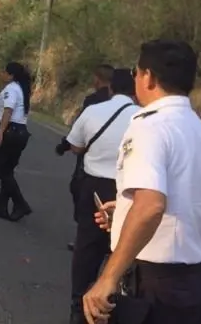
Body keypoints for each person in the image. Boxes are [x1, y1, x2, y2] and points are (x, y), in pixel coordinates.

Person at [83, 40, 201, 324]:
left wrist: (108, 278)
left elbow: (150, 206)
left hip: (152, 288)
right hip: (193, 287)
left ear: (148, 77)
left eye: (137, 73)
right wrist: (127, 214)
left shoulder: (149, 127)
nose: (136, 79)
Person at [64, 68, 137, 324]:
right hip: (129, 189)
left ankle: (79, 306)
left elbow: (75, 145)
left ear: (110, 88)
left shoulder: (93, 112)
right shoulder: (142, 119)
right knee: (125, 248)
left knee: (87, 248)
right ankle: (118, 304)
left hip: (94, 188)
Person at [58, 63, 116, 251]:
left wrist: (64, 145)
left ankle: (84, 238)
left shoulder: (92, 101)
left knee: (81, 193)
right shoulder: (128, 105)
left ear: (97, 79)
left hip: (90, 158)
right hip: (117, 162)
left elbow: (80, 130)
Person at [0, 61, 33, 222]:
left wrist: (0, 132)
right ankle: (0, 206)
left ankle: (20, 203)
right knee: (8, 170)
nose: (2, 74)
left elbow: (8, 110)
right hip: (19, 132)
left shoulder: (11, 89)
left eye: (5, 72)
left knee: (1, 169)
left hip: (11, 131)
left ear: (11, 75)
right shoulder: (21, 89)